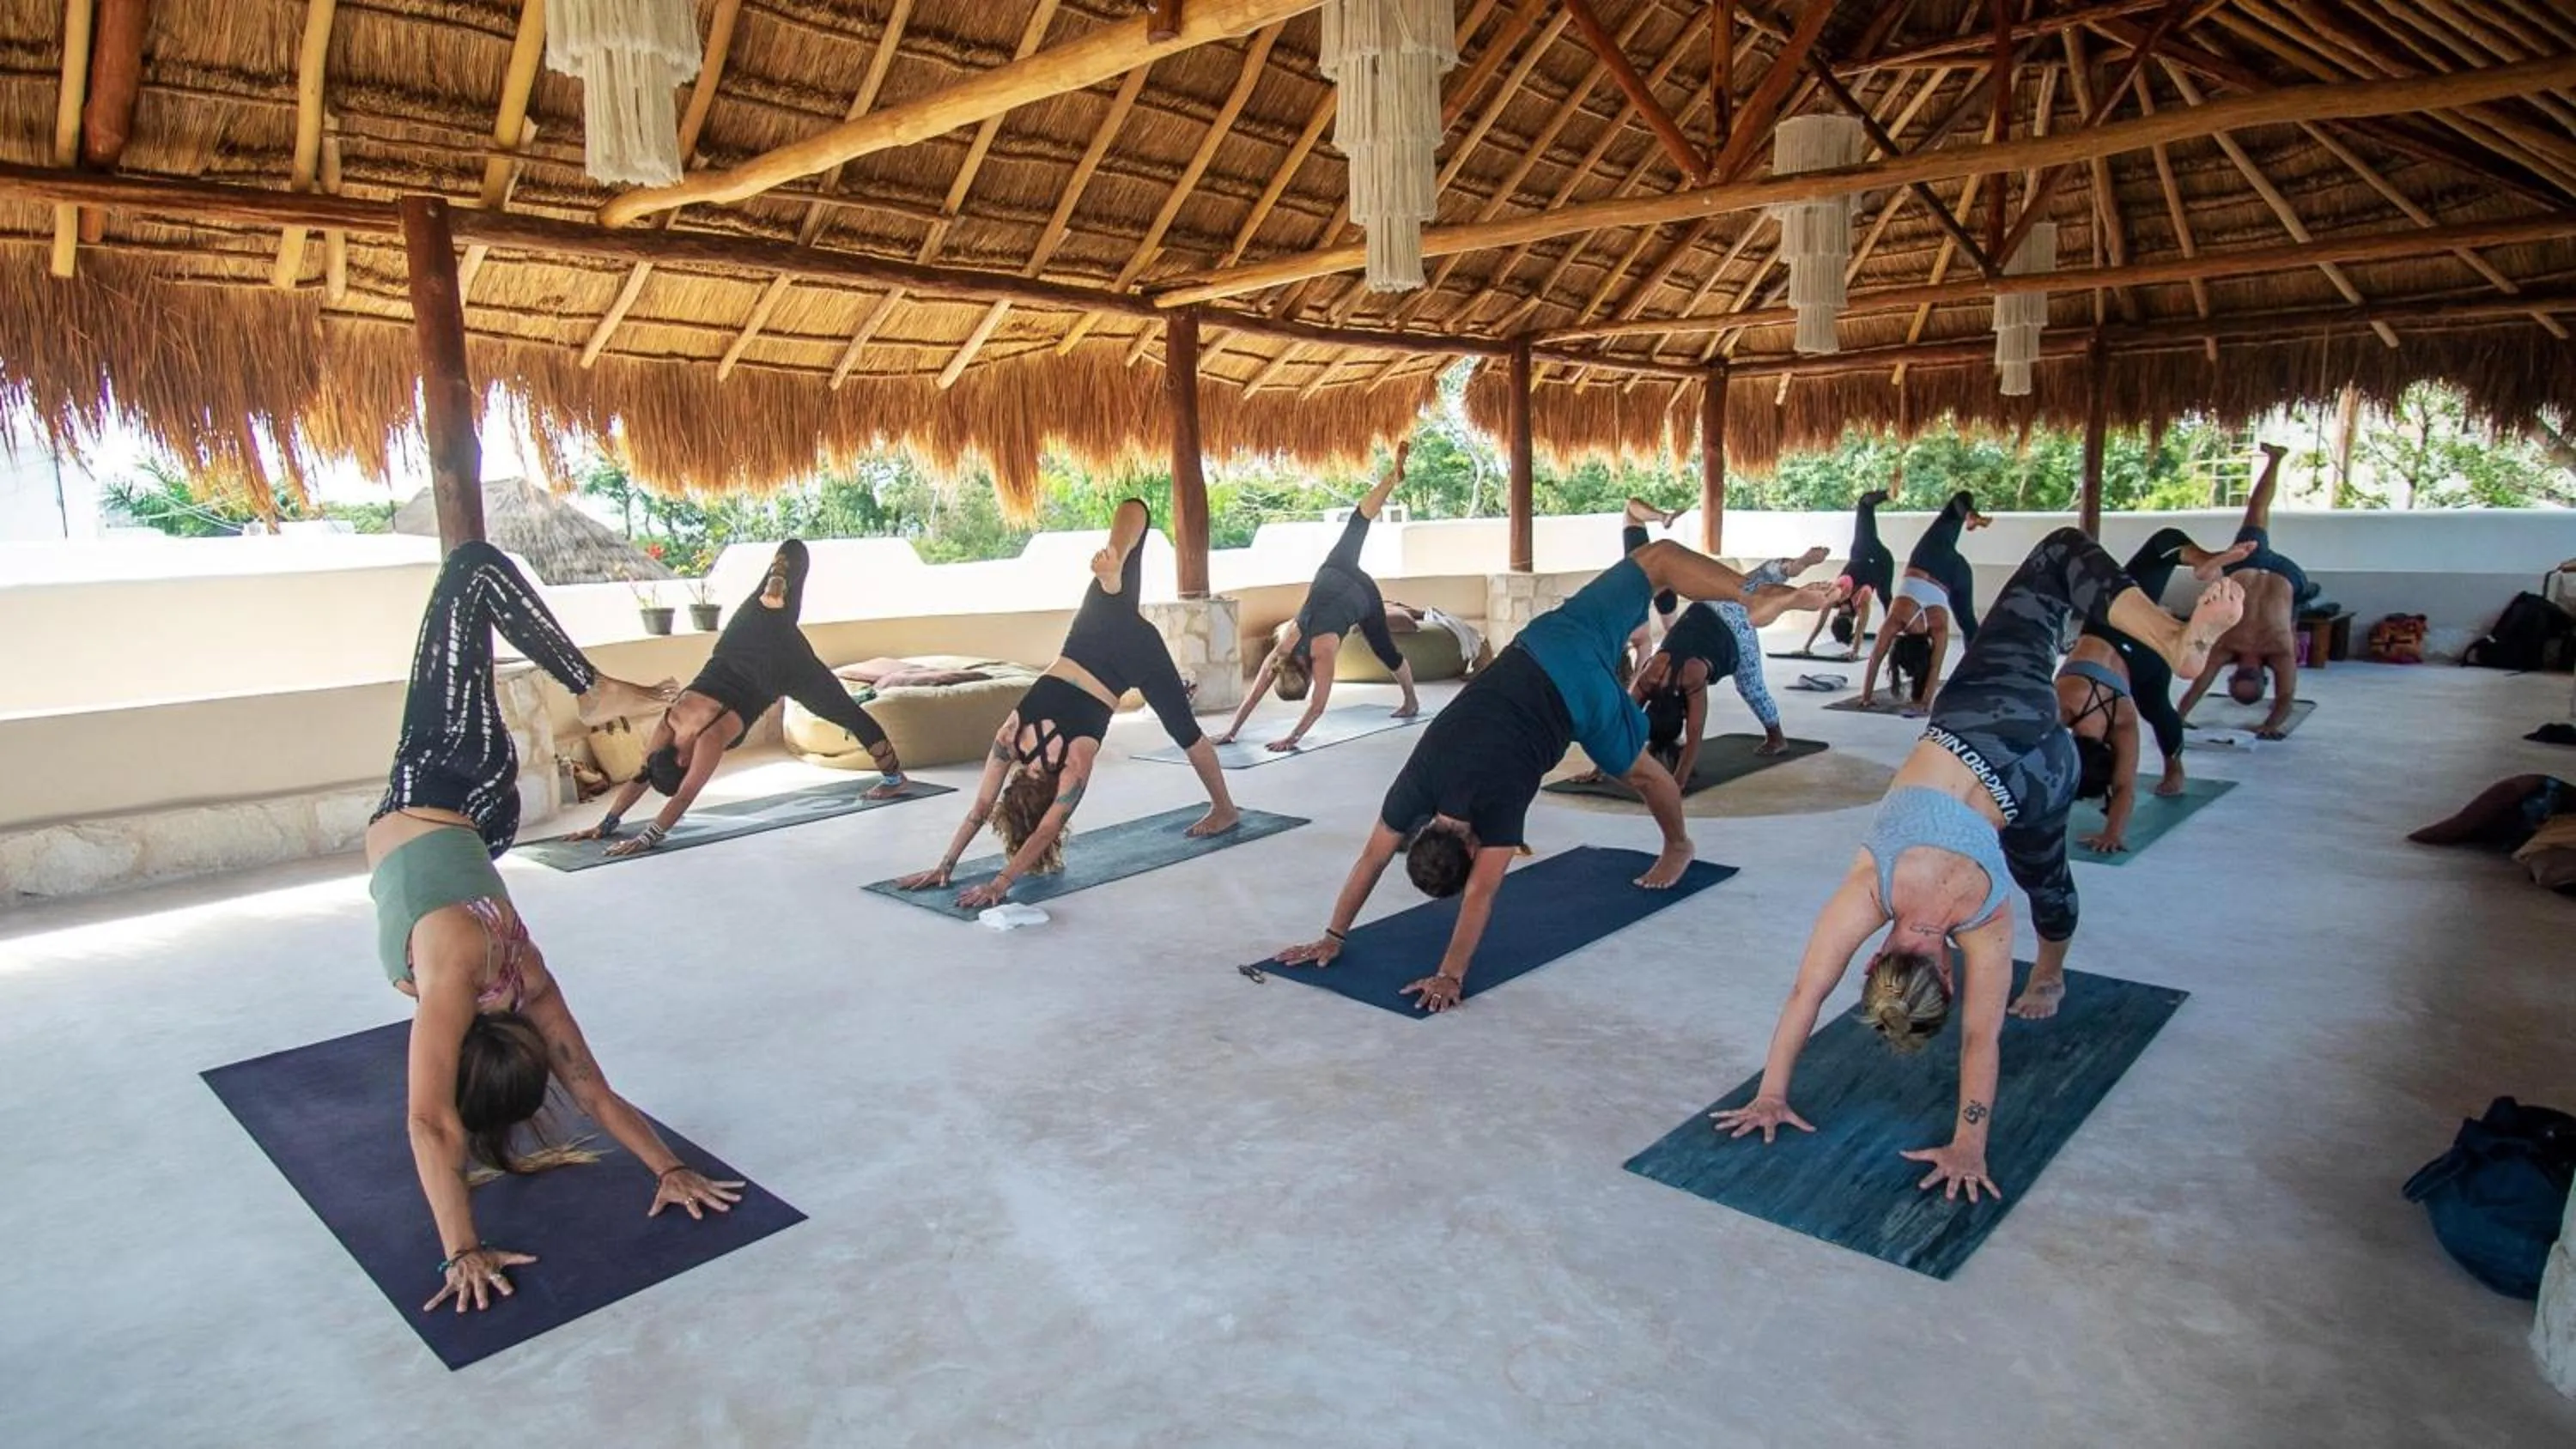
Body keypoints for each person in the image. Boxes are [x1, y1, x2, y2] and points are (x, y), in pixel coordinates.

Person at [1710, 530, 2245, 1197]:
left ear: (1947, 976)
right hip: (1984, 716)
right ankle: (2168, 637)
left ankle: (2047, 978)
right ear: (1876, 962)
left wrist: (1970, 1145)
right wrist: (1770, 1092)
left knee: (2048, 880)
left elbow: (1980, 1042)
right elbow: (1804, 997)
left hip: (2042, 779)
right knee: (2058, 556)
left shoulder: (1982, 919)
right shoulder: (1870, 888)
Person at [365, 543, 742, 1314]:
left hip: (481, 818)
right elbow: (433, 1120)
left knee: (472, 584)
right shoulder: (458, 975)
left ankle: (597, 687)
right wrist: (459, 1252)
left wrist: (670, 1168)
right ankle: (592, 688)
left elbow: (581, 1094)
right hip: (444, 779)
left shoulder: (522, 974)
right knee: (469, 570)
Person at [1270, 532, 1840, 1012]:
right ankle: (1757, 594)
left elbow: (1482, 897)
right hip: (1546, 643)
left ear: (1466, 850)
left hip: (1579, 699)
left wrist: (1451, 973)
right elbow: (1372, 856)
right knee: (1658, 558)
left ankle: (1679, 846)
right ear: (1420, 832)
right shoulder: (1414, 786)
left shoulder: (1494, 813)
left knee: (1643, 775)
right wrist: (1333, 931)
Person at [896, 500, 1239, 908]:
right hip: (1093, 630)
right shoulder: (1011, 737)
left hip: (1134, 656)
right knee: (1133, 514)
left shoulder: (1074, 765)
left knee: (1187, 733)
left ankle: (1225, 810)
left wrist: (999, 882)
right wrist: (946, 864)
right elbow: (981, 808)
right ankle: (1115, 565)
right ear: (1018, 785)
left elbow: (1044, 831)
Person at [570, 540, 907, 856]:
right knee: (793, 557)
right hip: (744, 633)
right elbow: (642, 776)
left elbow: (686, 794)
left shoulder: (710, 737)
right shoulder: (669, 723)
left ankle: (895, 780)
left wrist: (646, 838)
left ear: (683, 763)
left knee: (848, 714)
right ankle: (778, 576)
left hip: (782, 668)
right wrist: (607, 824)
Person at [1216, 444, 1421, 750]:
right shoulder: (1282, 650)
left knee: (1385, 651)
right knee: (1358, 521)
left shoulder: (1321, 655)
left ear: (1309, 674)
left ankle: (1412, 701)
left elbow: (1317, 706)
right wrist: (1231, 730)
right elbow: (1256, 694)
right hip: (1335, 569)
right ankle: (1390, 479)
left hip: (1362, 595)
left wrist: (1291, 739)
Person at [2058, 529, 2255, 847]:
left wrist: (2113, 835)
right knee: (2159, 546)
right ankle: (2198, 579)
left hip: (2145, 663)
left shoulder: (2122, 723)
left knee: (2158, 708)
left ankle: (2175, 772)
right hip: (2111, 625)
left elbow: (2124, 788)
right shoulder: (2060, 708)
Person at [1577, 599, 1786, 789]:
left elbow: (1695, 735)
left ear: (1683, 714)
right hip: (1707, 606)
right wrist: (1599, 769)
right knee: (1749, 689)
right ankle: (1775, 736)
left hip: (1737, 625)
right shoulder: (1648, 678)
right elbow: (1621, 725)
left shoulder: (1691, 676)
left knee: (1751, 688)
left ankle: (1776, 738)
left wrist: (1679, 782)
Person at [2178, 445, 2306, 739]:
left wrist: (2179, 717)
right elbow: (2286, 697)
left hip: (2286, 577)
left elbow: (2199, 687)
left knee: (2291, 616)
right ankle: (2276, 458)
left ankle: (2276, 458)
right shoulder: (2246, 650)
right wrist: (2271, 725)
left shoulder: (2232, 649)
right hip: (2258, 569)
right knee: (2257, 511)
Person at [1801, 489, 1894, 659]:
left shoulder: (1860, 604)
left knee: (1886, 598)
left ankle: (1894, 640)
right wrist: (1806, 646)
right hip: (1862, 552)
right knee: (1864, 505)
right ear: (1836, 618)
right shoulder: (1834, 599)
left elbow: (1860, 630)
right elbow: (1821, 623)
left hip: (1881, 562)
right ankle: (1886, 494)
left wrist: (1855, 652)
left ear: (1851, 622)